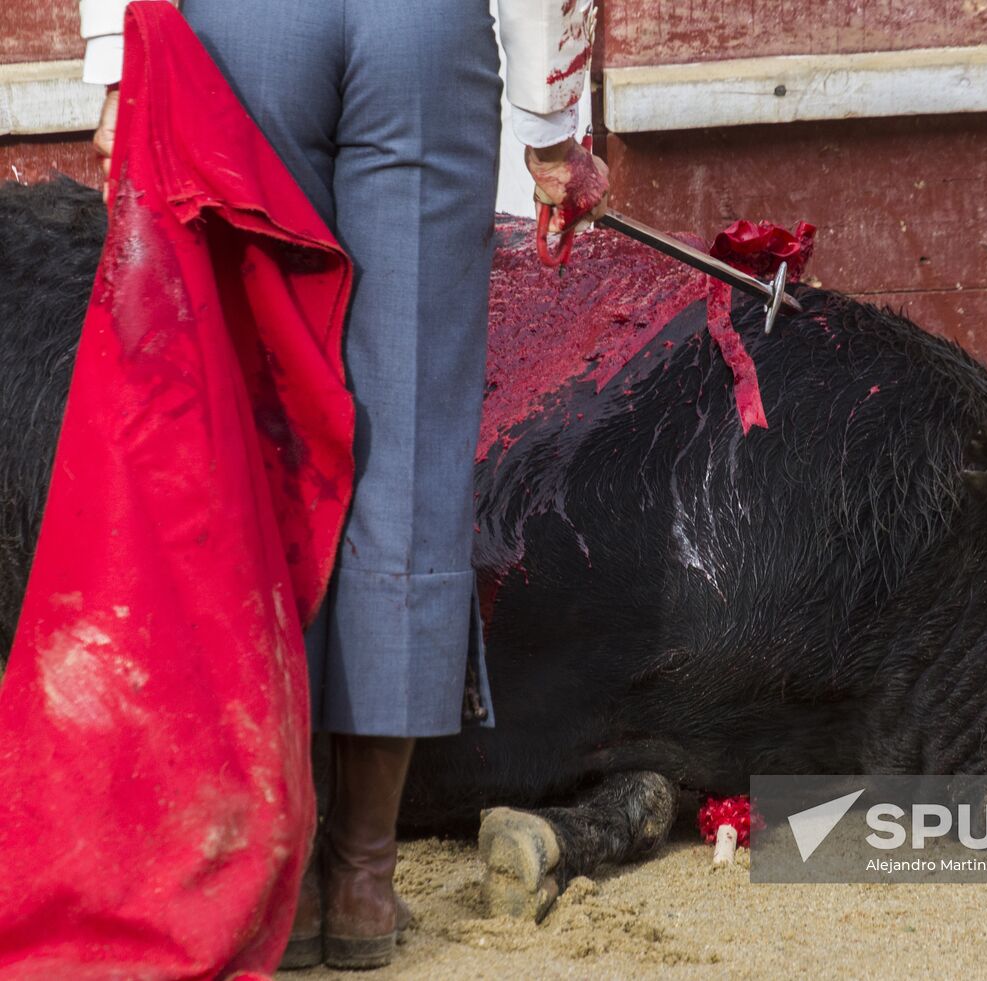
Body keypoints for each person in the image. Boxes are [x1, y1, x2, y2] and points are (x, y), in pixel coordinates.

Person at [80, 0, 609, 969]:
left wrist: (117, 55)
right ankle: (361, 879)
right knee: (405, 432)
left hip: (241, 37)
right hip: (418, 35)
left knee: (251, 433)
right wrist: (550, 120)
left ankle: (271, 870)